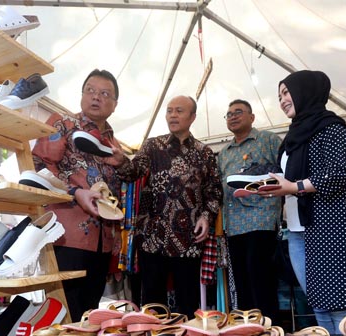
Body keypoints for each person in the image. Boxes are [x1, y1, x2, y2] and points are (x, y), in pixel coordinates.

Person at [260, 70, 346, 334]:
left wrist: (293, 187)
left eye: (286, 92)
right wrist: (270, 186)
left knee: (339, 305)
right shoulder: (292, 137)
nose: (282, 100)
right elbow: (291, 178)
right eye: (279, 96)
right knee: (319, 304)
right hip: (298, 230)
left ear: (305, 91)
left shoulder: (330, 126)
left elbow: (337, 173)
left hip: (329, 227)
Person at [111, 95, 223, 318]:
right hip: (153, 235)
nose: (172, 115)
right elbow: (133, 173)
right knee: (152, 302)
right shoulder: (153, 145)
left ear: (192, 117)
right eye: (169, 110)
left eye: (179, 111)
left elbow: (214, 191)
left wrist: (205, 217)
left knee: (188, 299)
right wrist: (121, 161)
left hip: (189, 237)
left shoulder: (205, 153)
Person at [32, 69, 121, 322]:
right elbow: (38, 167)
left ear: (114, 105)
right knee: (63, 312)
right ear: (82, 95)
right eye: (90, 91)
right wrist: (74, 192)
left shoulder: (113, 143)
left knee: (88, 314)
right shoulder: (63, 123)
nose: (96, 97)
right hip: (67, 235)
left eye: (105, 94)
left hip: (103, 240)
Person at [217, 99, 282, 322]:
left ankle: (271, 330)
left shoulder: (268, 140)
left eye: (238, 112)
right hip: (234, 226)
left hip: (261, 221)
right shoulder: (224, 152)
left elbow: (286, 173)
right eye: (228, 114)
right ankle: (247, 333)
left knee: (261, 279)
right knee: (242, 283)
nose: (232, 116)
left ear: (252, 117)